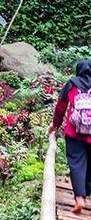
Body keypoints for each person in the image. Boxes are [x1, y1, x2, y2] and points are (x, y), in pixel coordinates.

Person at [49, 60, 91, 214]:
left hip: (74, 132)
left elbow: (61, 106)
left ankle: (80, 198)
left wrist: (55, 125)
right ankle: (86, 192)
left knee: (77, 163)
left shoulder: (72, 83)